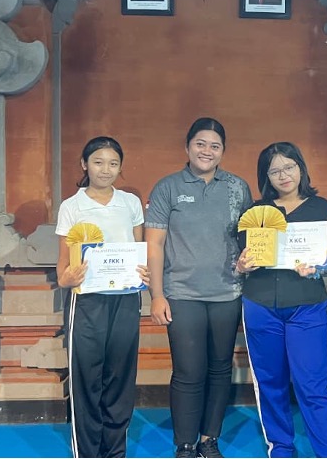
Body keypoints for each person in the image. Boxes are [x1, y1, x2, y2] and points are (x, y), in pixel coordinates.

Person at [144, 117, 253, 458]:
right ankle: (186, 443)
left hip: (227, 293)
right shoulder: (168, 187)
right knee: (188, 371)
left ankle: (209, 439)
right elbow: (155, 244)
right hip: (181, 294)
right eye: (200, 144)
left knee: (220, 369)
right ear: (187, 147)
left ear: (223, 151)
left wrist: (246, 261)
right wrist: (157, 295)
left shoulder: (238, 188)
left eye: (215, 146)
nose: (207, 151)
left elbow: (249, 238)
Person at [235, 142, 327, 458]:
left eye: (289, 167)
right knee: (270, 384)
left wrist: (319, 265)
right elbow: (243, 257)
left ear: (301, 168)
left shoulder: (321, 208)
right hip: (260, 306)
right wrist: (241, 266)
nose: (283, 175)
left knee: (314, 385)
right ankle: (281, 448)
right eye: (275, 171)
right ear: (265, 176)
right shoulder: (254, 213)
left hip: (307, 306)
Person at [55, 136, 151, 458]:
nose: (106, 169)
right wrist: (67, 278)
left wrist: (143, 273)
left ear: (120, 167)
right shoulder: (71, 207)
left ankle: (115, 451)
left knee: (120, 376)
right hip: (86, 302)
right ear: (85, 164)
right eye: (98, 162)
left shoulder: (130, 203)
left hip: (125, 299)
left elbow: (138, 252)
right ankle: (87, 452)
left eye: (113, 163)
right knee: (87, 378)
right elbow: (62, 267)